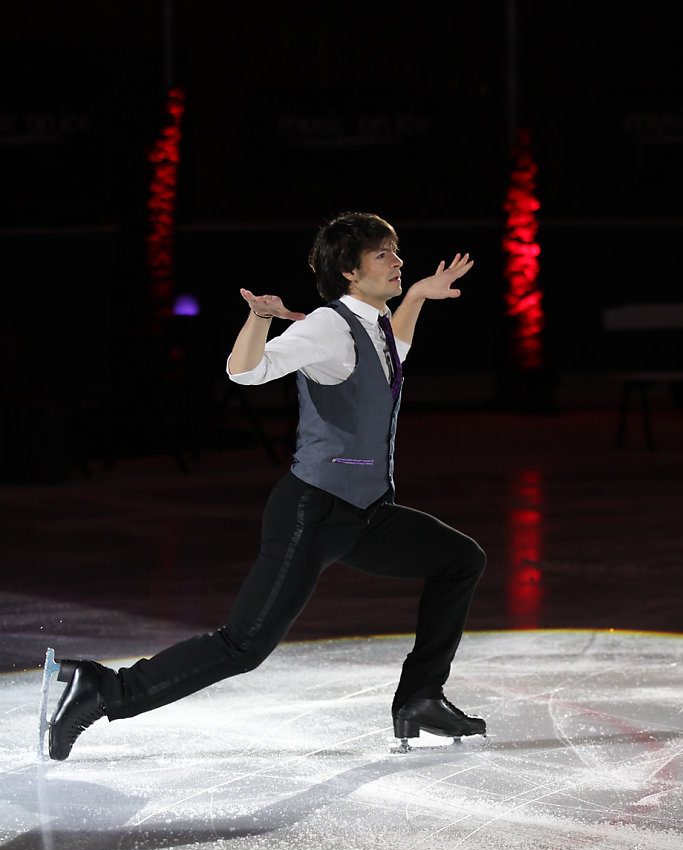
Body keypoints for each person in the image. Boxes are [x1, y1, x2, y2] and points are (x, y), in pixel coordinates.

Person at [48, 212, 487, 761]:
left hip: (367, 512)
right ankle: (103, 690)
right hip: (315, 511)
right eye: (384, 254)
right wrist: (260, 320)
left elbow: (393, 352)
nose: (398, 261)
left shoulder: (368, 323)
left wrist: (417, 296)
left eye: (397, 252)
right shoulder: (328, 325)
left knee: (459, 559)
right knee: (244, 644)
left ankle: (421, 696)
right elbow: (246, 371)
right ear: (351, 271)